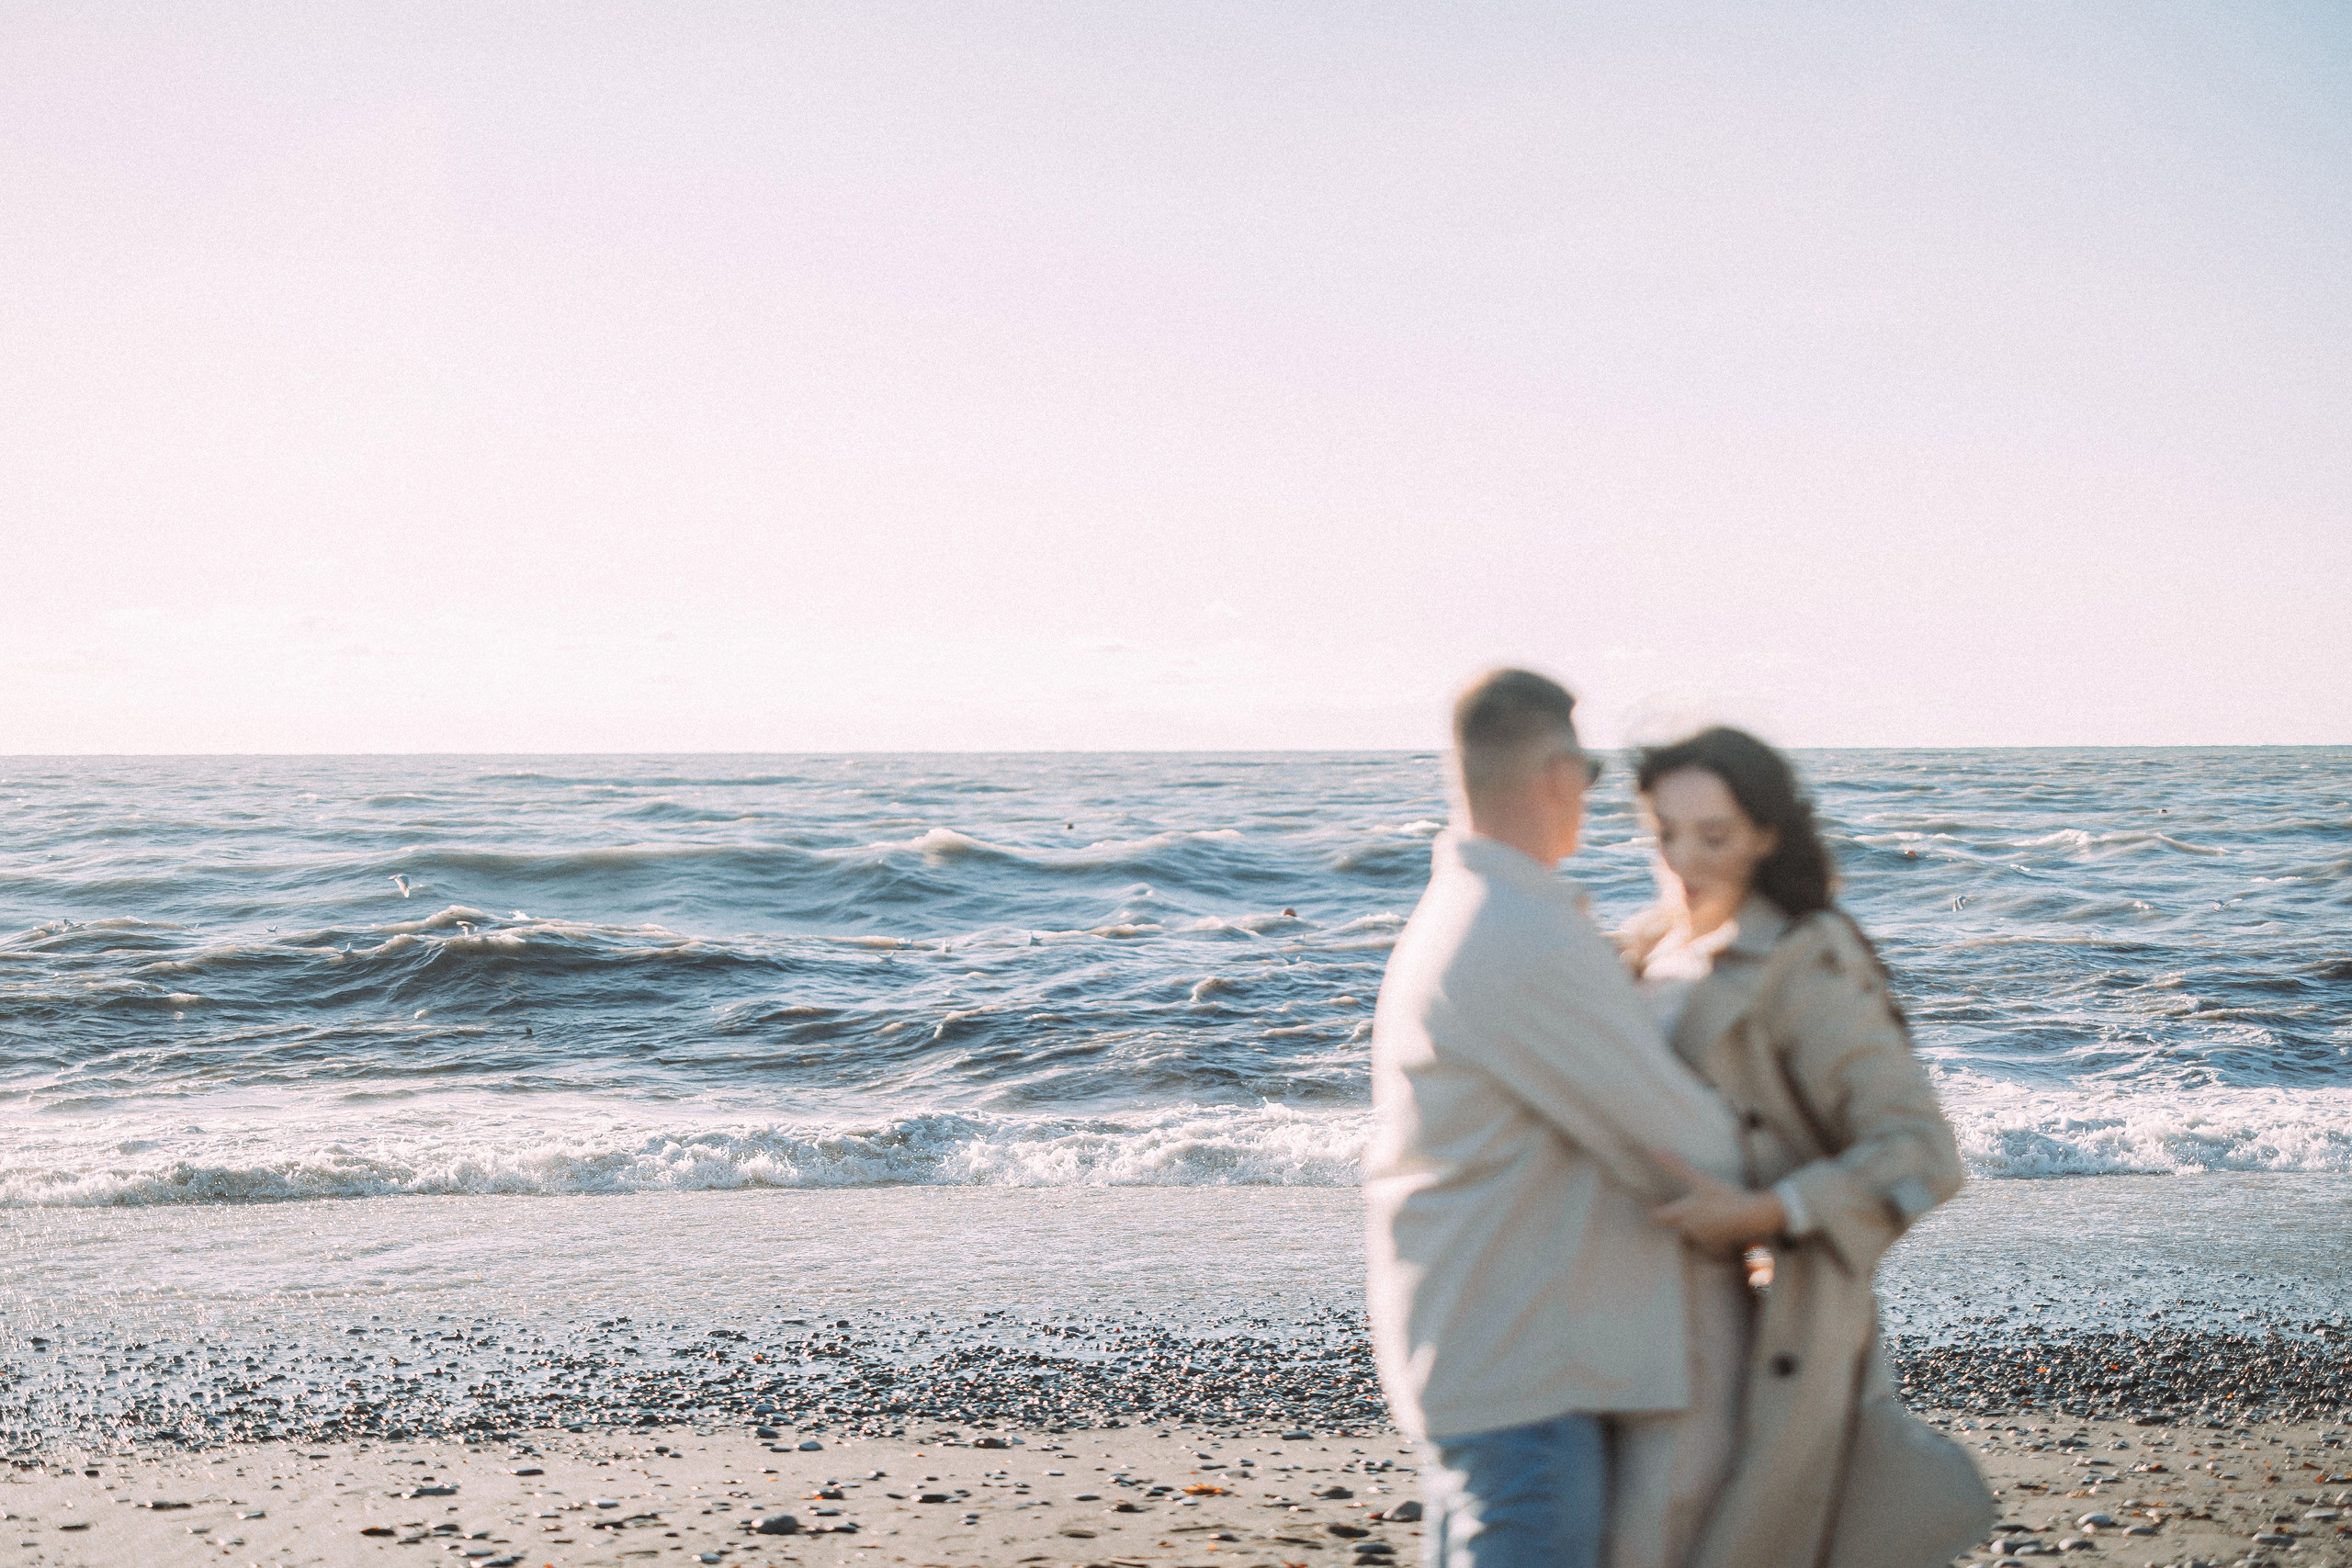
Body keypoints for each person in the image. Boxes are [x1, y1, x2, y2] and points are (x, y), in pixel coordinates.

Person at [1364, 670, 1747, 1568]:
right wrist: (1816, 1191)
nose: (1590, 796)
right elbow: (1677, 1139)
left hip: (1487, 1347)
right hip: (1522, 1368)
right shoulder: (1517, 936)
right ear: (1552, 771)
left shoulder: (1469, 914)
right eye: (1590, 774)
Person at [1623, 727, 1991, 1568]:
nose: (1684, 858)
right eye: (1663, 834)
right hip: (1638, 1309)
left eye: (1712, 835)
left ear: (1765, 835)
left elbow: (1920, 1147)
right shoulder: (1644, 950)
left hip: (1766, 1319)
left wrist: (1765, 1212)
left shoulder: (1805, 957)